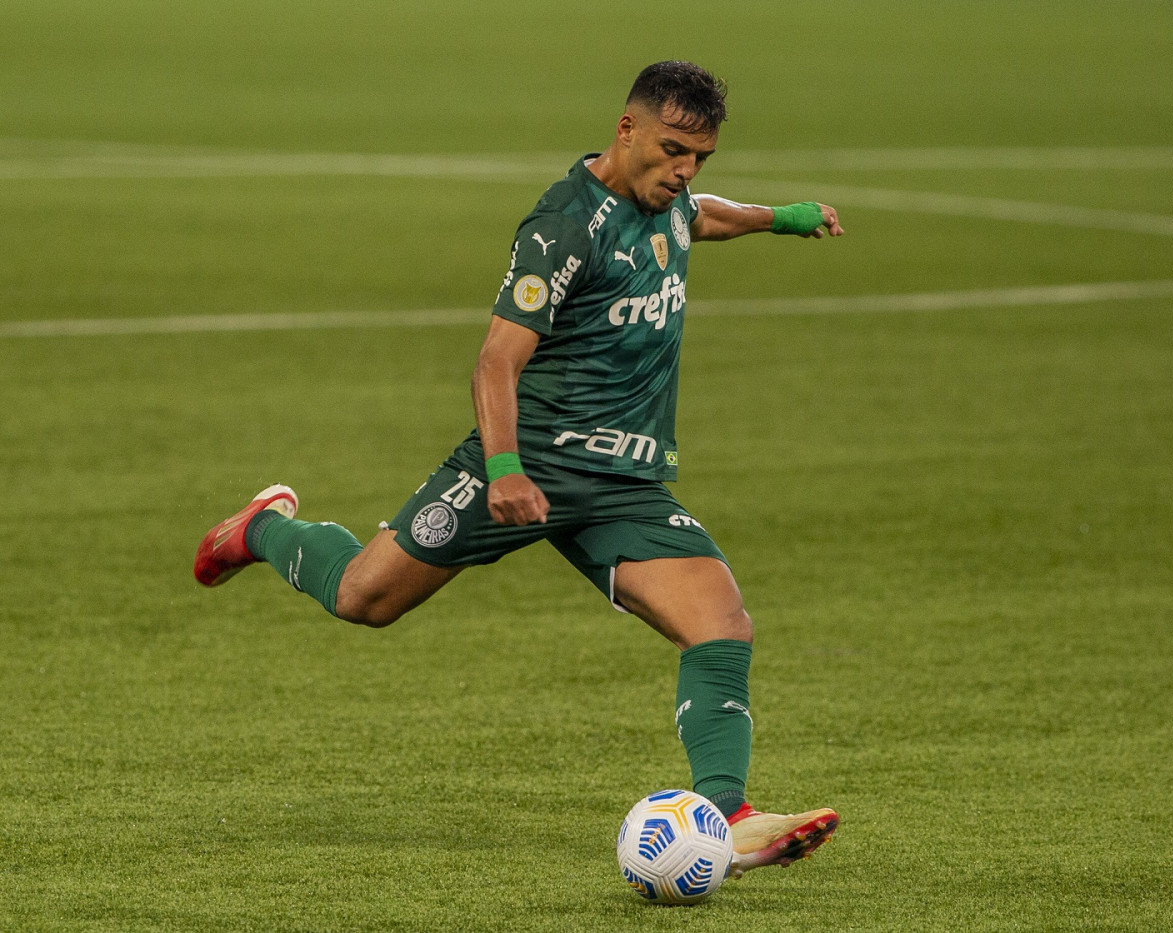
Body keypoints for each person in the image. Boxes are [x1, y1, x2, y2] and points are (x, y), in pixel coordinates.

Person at [195, 60, 844, 877]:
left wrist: (781, 217)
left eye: (700, 157)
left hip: (622, 485)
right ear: (627, 129)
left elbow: (702, 218)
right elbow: (496, 361)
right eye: (674, 150)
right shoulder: (563, 227)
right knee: (364, 597)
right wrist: (502, 466)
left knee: (722, 624)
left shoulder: (671, 200)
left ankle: (728, 812)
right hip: (527, 464)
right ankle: (265, 527)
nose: (685, 172)